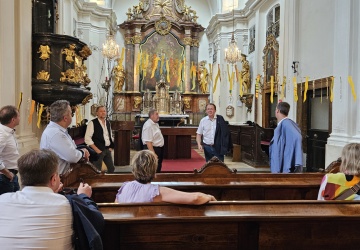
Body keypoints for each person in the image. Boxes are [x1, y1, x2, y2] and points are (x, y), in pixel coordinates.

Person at [0, 149, 104, 249]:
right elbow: (97, 220)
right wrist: (83, 196)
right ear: (54, 179)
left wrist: (52, 194)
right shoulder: (68, 203)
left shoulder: (3, 200)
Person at [115, 150, 216, 204]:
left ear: (134, 168)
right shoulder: (156, 192)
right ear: (154, 172)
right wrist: (209, 196)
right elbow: (195, 198)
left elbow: (115, 207)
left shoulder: (124, 187)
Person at [40, 100, 90, 175]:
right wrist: (83, 152)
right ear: (65, 118)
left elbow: (71, 149)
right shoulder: (56, 133)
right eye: (70, 113)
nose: (72, 115)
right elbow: (72, 157)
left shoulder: (58, 130)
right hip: (60, 179)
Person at [269, 101, 303, 173]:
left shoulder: (286, 123)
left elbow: (297, 137)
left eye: (275, 109)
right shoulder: (284, 123)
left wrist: (292, 153)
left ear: (277, 111)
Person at [85, 105, 115, 173]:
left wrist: (111, 147)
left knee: (111, 168)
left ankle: (108, 183)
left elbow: (110, 136)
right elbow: (87, 138)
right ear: (97, 113)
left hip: (107, 149)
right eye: (101, 111)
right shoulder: (92, 123)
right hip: (97, 150)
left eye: (104, 111)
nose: (103, 113)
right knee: (97, 170)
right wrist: (96, 149)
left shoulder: (108, 122)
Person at [0, 105, 20, 195]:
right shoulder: (2, 134)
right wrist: (7, 173)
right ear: (13, 120)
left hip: (12, 175)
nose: (20, 118)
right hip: (5, 177)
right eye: (18, 116)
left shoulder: (9, 131)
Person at [141, 108, 164, 173]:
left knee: (158, 167)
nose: (158, 116)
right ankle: (153, 180)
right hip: (153, 149)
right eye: (156, 114)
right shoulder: (148, 126)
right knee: (152, 168)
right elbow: (148, 141)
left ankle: (157, 179)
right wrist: (153, 153)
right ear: (151, 116)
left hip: (158, 148)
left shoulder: (155, 124)